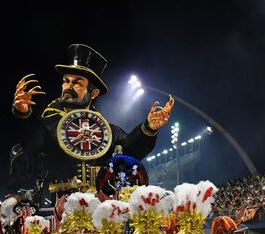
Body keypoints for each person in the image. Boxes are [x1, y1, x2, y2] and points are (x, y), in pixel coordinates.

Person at [9, 43, 174, 200]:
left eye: (77, 83)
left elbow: (128, 154)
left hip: (101, 211)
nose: (68, 86)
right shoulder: (49, 124)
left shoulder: (108, 131)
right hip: (58, 209)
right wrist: (24, 114)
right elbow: (32, 144)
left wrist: (148, 128)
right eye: (66, 81)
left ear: (93, 93)